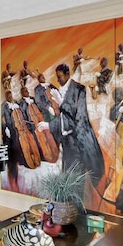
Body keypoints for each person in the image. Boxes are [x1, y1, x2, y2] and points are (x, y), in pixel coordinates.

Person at [37, 64, 105, 192]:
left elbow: (78, 119)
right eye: (57, 77)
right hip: (67, 144)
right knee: (68, 180)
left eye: (60, 76)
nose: (58, 80)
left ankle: (76, 209)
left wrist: (51, 124)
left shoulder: (79, 90)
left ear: (68, 74)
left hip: (78, 143)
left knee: (76, 181)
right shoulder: (61, 90)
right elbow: (63, 117)